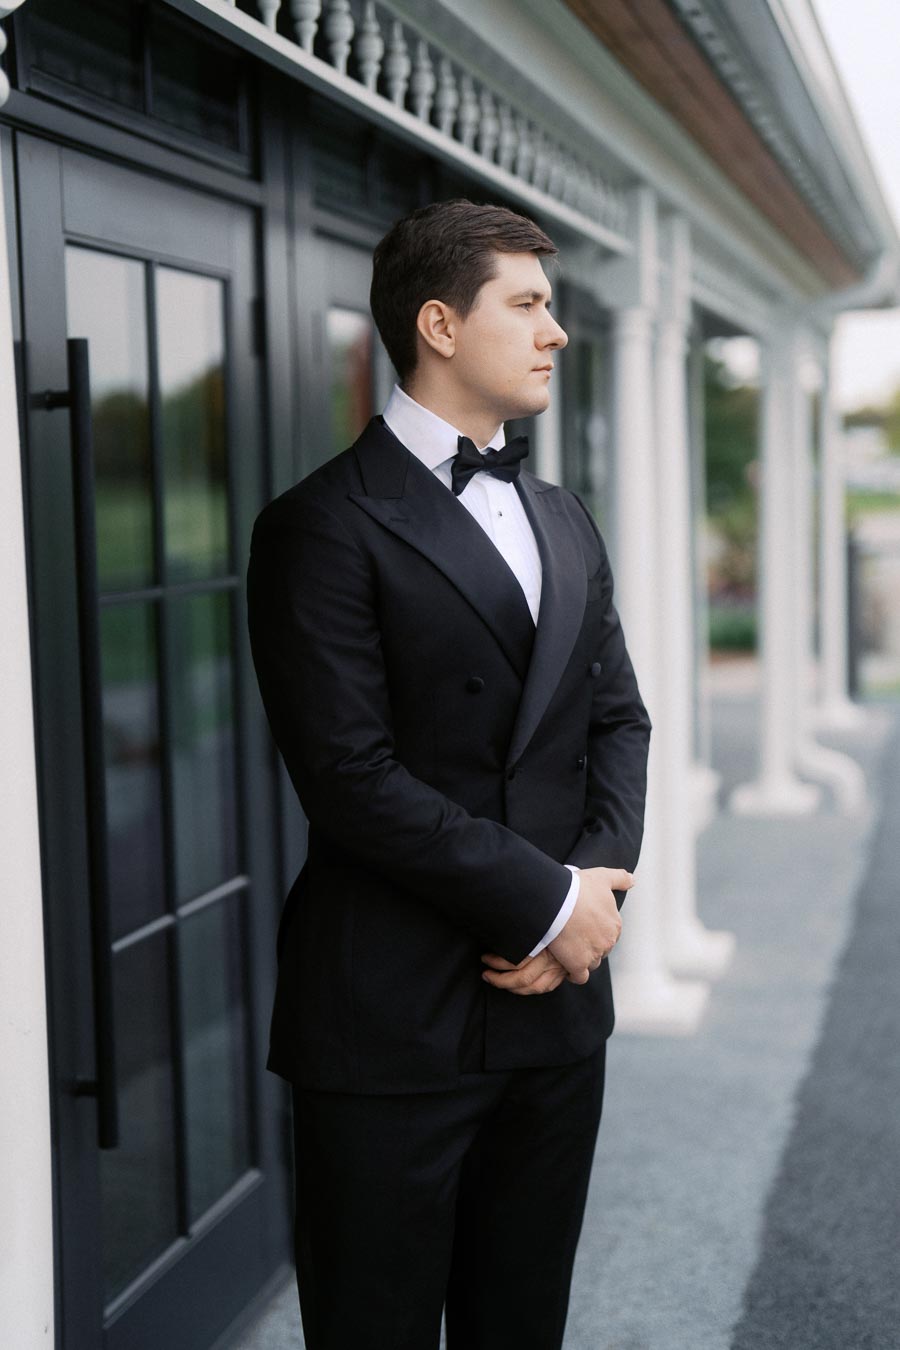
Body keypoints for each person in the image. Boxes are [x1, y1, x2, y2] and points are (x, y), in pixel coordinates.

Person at [246, 199, 651, 1350]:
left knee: (521, 1325)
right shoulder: (319, 526)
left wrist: (590, 894)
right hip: (390, 1017)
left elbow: (617, 719)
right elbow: (350, 778)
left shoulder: (564, 516)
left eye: (550, 304)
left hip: (557, 1014)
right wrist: (543, 906)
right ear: (438, 323)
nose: (555, 331)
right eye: (527, 304)